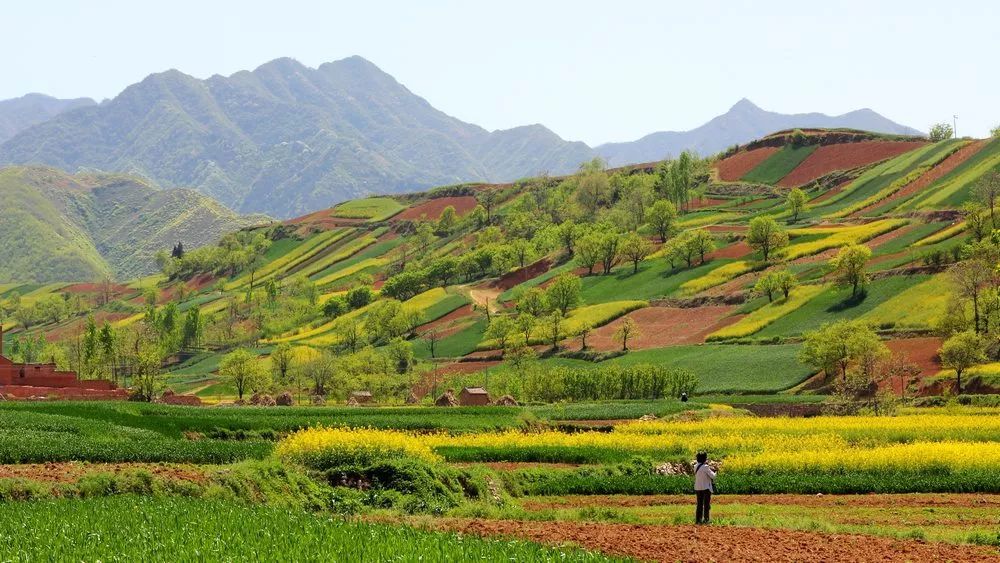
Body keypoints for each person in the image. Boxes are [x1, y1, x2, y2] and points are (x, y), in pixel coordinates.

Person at [693, 451, 716, 524]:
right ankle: (706, 520)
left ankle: (698, 520)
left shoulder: (695, 466)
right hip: (705, 488)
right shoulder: (705, 467)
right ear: (704, 459)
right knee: (706, 505)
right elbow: (713, 476)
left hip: (698, 488)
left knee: (699, 505)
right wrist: (715, 472)